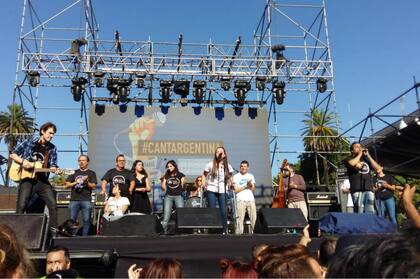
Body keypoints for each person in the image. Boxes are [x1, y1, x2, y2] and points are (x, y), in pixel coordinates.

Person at [10, 122, 59, 228]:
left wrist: (55, 169)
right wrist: (24, 162)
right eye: (50, 133)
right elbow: (13, 154)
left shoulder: (52, 148)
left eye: (53, 134)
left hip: (42, 181)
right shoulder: (29, 142)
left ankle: (53, 232)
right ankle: (15, 230)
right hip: (27, 179)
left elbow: (54, 164)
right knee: (22, 206)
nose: (52, 136)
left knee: (53, 205)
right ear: (42, 131)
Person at [202, 146, 234, 233]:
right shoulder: (210, 164)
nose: (219, 153)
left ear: (224, 154)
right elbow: (204, 175)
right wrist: (204, 184)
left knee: (223, 210)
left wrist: (231, 183)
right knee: (212, 209)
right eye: (217, 152)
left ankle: (225, 229)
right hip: (211, 188)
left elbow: (230, 177)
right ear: (215, 154)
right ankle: (213, 228)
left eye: (221, 152)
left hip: (223, 189)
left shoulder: (228, 166)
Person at [65, 154, 98, 236]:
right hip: (74, 200)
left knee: (86, 220)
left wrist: (86, 182)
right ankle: (71, 237)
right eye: (79, 161)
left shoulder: (91, 173)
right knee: (72, 221)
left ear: (87, 162)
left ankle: (84, 238)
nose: (81, 162)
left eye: (83, 160)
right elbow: (66, 185)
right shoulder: (74, 172)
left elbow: (93, 186)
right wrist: (77, 181)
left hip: (86, 200)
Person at [345, 142, 380, 214]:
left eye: (360, 146)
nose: (359, 148)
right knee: (359, 210)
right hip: (357, 189)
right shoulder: (349, 158)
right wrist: (360, 154)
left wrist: (368, 156)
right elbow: (352, 163)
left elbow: (378, 168)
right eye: (357, 147)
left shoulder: (366, 159)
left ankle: (370, 224)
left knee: (370, 210)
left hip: (368, 188)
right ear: (352, 150)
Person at [161, 160, 185, 233]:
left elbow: (183, 185)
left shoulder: (180, 175)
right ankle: (163, 231)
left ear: (174, 166)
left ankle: (181, 231)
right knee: (166, 215)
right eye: (168, 167)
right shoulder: (166, 175)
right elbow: (163, 188)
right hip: (168, 196)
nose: (169, 168)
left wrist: (183, 183)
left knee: (181, 214)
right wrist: (163, 182)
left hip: (178, 196)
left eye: (170, 166)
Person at [233, 160, 257, 234]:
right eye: (242, 166)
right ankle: (239, 236)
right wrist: (245, 186)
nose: (243, 167)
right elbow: (235, 190)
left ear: (248, 168)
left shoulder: (251, 176)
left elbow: (253, 190)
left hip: (251, 200)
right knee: (239, 219)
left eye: (245, 166)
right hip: (240, 200)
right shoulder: (236, 176)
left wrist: (250, 186)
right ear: (240, 167)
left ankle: (257, 233)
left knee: (254, 219)